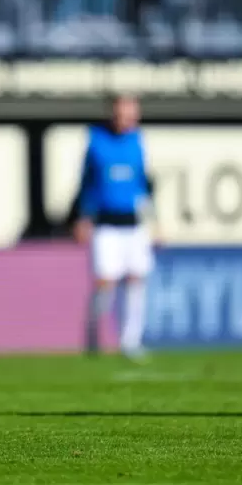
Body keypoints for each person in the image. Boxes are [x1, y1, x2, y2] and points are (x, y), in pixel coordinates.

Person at [73, 95, 154, 361]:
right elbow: (87, 182)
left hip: (134, 223)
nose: (127, 117)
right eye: (122, 112)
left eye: (131, 112)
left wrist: (154, 220)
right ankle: (93, 337)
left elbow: (145, 184)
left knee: (136, 279)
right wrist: (84, 217)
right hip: (105, 224)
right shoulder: (97, 140)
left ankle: (131, 341)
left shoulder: (139, 141)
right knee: (104, 283)